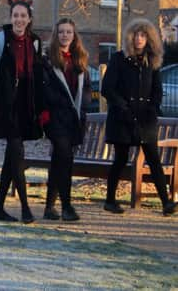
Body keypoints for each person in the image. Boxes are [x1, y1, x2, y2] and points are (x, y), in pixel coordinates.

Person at [0, 0, 44, 224]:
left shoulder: (36, 42)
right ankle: (26, 209)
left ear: (29, 19)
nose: (19, 20)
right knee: (17, 151)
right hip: (6, 106)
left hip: (26, 106)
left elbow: (39, 78)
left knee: (12, 156)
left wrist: (42, 108)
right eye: (15, 16)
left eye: (23, 16)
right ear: (11, 18)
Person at [101, 18, 176, 216]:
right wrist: (123, 107)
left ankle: (166, 203)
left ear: (149, 38)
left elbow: (157, 90)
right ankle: (110, 200)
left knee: (153, 158)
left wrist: (153, 108)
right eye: (136, 35)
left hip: (145, 119)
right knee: (121, 158)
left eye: (143, 35)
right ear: (130, 37)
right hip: (122, 117)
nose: (139, 39)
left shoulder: (152, 62)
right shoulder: (119, 58)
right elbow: (107, 88)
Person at [41, 18, 91, 221]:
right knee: (65, 159)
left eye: (69, 32)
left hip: (74, 119)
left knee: (59, 161)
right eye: (61, 32)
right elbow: (45, 89)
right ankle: (67, 206)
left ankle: (49, 207)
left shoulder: (80, 59)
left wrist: (83, 105)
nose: (65, 35)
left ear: (74, 35)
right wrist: (58, 105)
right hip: (55, 118)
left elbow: (87, 88)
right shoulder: (47, 60)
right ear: (56, 34)